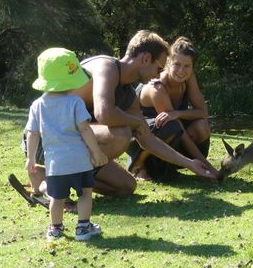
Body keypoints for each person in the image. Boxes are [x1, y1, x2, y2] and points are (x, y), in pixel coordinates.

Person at [25, 30, 215, 198]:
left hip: (75, 145)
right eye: (158, 68)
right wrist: (135, 122)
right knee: (121, 134)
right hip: (47, 140)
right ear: (146, 58)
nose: (158, 75)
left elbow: (147, 139)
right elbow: (104, 113)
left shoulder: (129, 96)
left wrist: (190, 163)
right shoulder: (105, 67)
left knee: (126, 186)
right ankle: (57, 183)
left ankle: (45, 176)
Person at [25, 48, 108, 240]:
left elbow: (32, 133)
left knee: (57, 197)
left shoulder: (37, 105)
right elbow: (85, 129)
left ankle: (55, 229)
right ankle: (83, 228)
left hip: (56, 164)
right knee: (85, 193)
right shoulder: (75, 102)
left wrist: (30, 158)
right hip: (79, 160)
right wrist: (96, 151)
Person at [127, 36, 218, 181]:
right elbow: (178, 129)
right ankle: (138, 165)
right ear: (168, 62)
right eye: (177, 64)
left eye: (187, 66)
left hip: (171, 134)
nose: (181, 71)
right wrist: (207, 166)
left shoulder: (188, 78)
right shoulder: (157, 87)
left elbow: (203, 113)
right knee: (171, 124)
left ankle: (172, 165)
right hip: (139, 139)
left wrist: (177, 113)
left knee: (202, 125)